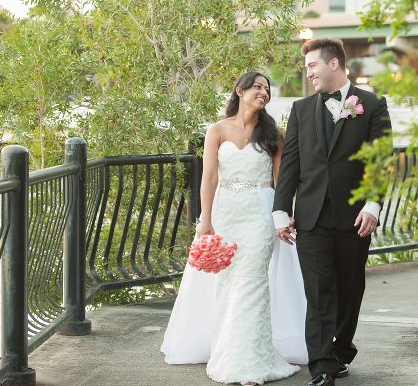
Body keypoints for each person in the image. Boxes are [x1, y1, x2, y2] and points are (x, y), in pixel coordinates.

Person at [161, 71, 307, 385]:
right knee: (228, 288)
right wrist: (206, 221)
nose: (263, 92)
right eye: (257, 86)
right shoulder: (217, 130)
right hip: (226, 215)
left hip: (259, 214)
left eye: (267, 89)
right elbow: (209, 178)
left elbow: (281, 183)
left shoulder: (274, 135)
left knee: (252, 284)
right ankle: (228, 351)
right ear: (239, 90)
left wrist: (283, 216)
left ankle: (248, 364)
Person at [272, 38, 392, 386]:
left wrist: (373, 204)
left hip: (355, 217)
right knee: (319, 291)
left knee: (350, 289)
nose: (308, 73)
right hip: (310, 217)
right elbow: (290, 163)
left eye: (312, 65)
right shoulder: (301, 109)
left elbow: (381, 160)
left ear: (334, 64)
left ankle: (341, 351)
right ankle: (322, 365)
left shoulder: (370, 104)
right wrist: (281, 210)